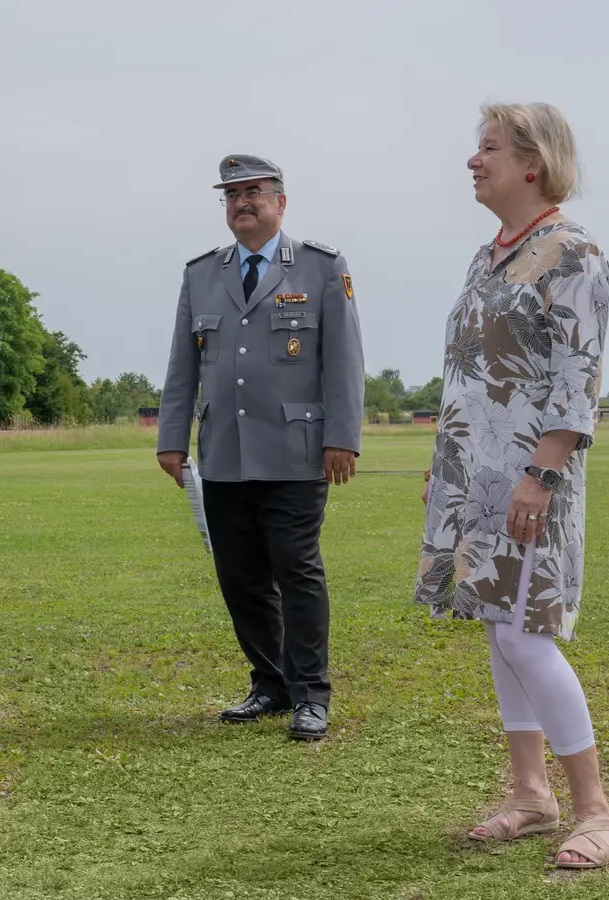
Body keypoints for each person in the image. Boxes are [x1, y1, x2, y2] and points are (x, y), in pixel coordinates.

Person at [414, 102, 609, 868]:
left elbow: (578, 377)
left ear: (532, 163)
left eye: (489, 148)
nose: (474, 160)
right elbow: (472, 377)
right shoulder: (488, 257)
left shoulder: (573, 253)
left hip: (533, 479)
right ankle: (531, 795)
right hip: (478, 480)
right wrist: (450, 475)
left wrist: (542, 472)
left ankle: (596, 812)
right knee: (499, 630)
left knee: (521, 633)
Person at [156, 154, 365, 742]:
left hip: (297, 452)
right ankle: (270, 684)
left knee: (295, 569)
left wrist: (341, 438)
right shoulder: (201, 273)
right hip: (223, 450)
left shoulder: (321, 268)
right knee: (240, 575)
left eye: (253, 192)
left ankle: (310, 694)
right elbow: (183, 364)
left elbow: (345, 360)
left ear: (280, 201)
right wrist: (172, 438)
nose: (241, 203)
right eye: (231, 195)